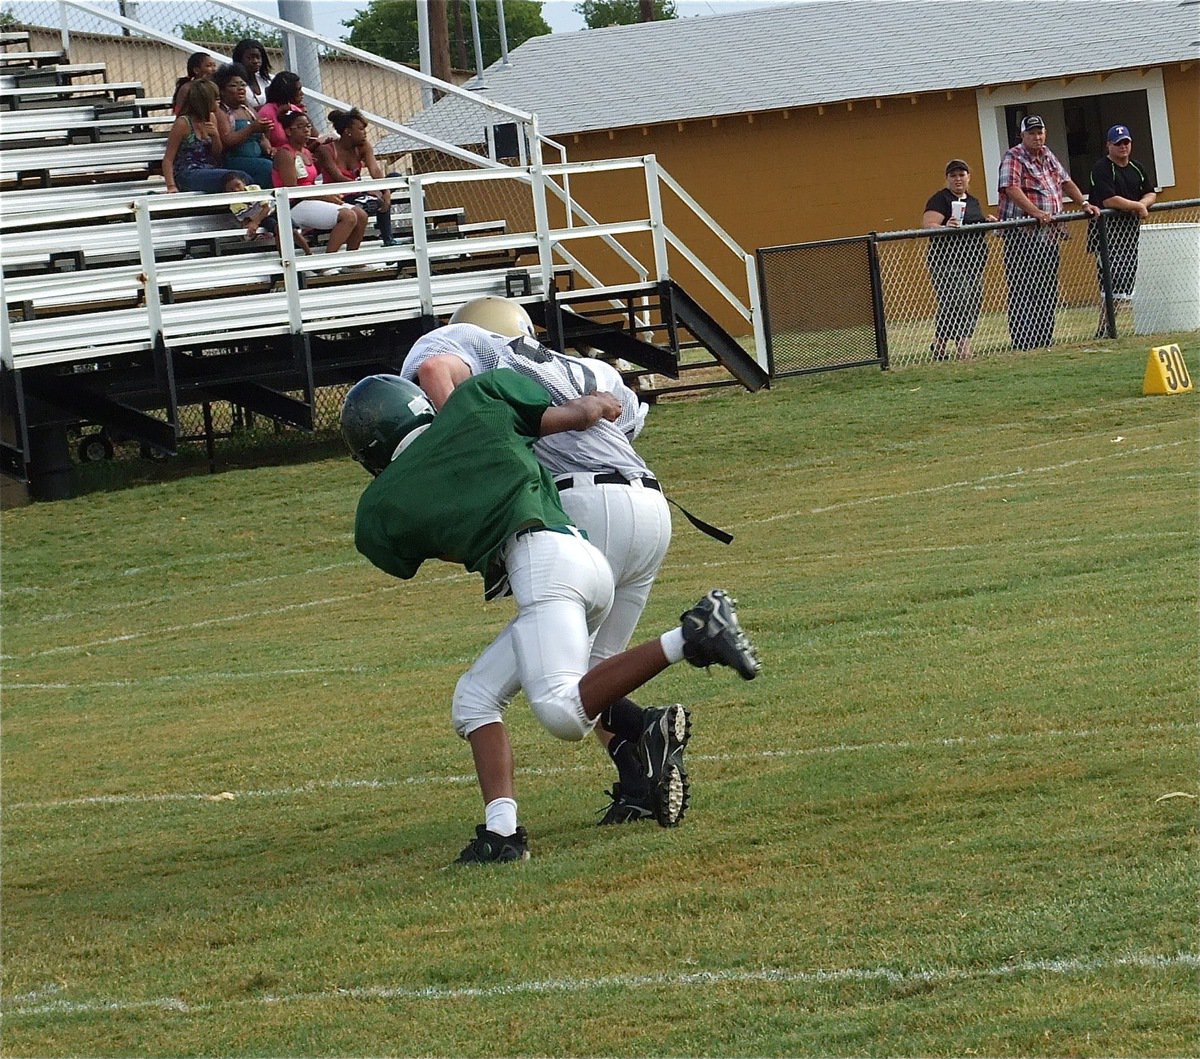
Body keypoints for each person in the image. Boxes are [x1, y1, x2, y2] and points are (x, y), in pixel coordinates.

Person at [340, 369, 760, 863]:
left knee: (564, 712)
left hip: (543, 566)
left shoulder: (380, 507)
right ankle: (501, 835)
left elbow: (404, 549)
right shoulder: (478, 399)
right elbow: (576, 415)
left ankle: (691, 637)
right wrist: (602, 405)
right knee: (474, 699)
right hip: (584, 553)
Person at [400, 299, 680, 826]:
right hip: (649, 507)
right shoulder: (584, 367)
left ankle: (650, 711)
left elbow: (437, 371)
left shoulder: (467, 344)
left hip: (578, 510)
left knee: (559, 687)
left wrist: (471, 449)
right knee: (600, 672)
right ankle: (639, 784)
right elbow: (627, 416)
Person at [997, 114, 1101, 350]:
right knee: (1023, 288)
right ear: (1022, 135)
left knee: (1047, 287)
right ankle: (1024, 342)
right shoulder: (1013, 157)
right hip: (1021, 235)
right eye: (1032, 133)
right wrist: (1036, 213)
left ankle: (1044, 339)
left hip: (1050, 234)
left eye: (1040, 132)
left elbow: (1066, 181)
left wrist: (1084, 203)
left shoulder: (1047, 155)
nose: (1037, 137)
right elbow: (1011, 188)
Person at [272, 109, 368, 270]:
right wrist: (325, 197)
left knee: (361, 215)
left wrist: (325, 196)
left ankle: (352, 258)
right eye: (300, 127)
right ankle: (325, 262)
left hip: (310, 198)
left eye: (308, 126)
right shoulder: (285, 154)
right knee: (348, 216)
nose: (306, 130)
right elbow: (292, 190)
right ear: (288, 131)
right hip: (294, 204)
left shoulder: (307, 152)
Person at [922, 159, 995, 361]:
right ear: (947, 179)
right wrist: (946, 226)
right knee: (958, 298)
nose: (957, 179)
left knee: (973, 300)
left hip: (973, 262)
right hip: (947, 261)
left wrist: (986, 222)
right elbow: (928, 225)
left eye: (961, 175)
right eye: (953, 176)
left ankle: (939, 344)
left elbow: (975, 225)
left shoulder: (973, 201)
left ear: (968, 177)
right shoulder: (939, 199)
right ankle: (964, 346)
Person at [1087, 123, 1157, 333]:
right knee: (1111, 282)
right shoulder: (1102, 168)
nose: (1122, 147)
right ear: (1109, 145)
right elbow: (1109, 200)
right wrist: (1136, 206)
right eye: (1117, 144)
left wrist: (1143, 204)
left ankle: (1110, 327)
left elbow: (1150, 192)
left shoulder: (1137, 167)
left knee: (1124, 283)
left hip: (1129, 235)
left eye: (1125, 142)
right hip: (1106, 234)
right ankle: (1105, 329)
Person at [315, 108, 397, 247]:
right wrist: (365, 190)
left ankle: (387, 238)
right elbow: (338, 177)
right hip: (339, 195)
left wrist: (385, 190)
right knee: (372, 200)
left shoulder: (363, 146)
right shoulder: (327, 150)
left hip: (357, 192)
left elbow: (375, 170)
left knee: (389, 185)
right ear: (348, 131)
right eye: (361, 129)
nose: (365, 133)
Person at [161, 80, 249, 194]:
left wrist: (215, 136)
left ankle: (244, 209)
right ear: (204, 101)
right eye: (215, 99)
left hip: (209, 168)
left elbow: (216, 154)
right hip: (188, 173)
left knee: (244, 177)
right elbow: (168, 159)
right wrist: (171, 186)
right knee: (232, 180)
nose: (219, 102)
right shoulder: (183, 123)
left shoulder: (211, 118)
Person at [214, 63, 275, 187]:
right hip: (234, 159)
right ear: (222, 91)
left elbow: (262, 136)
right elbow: (227, 140)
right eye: (233, 85)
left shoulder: (248, 109)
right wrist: (251, 128)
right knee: (267, 167)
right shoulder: (221, 112)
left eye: (243, 85)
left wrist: (268, 145)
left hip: (257, 157)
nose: (240, 88)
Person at [223, 173, 311, 255]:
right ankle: (284, 258)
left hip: (274, 211)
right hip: (263, 218)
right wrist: (249, 227)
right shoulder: (234, 205)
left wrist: (255, 223)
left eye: (238, 185)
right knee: (278, 230)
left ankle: (308, 253)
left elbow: (266, 208)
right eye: (231, 189)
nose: (236, 190)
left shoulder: (254, 188)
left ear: (244, 183)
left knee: (292, 230)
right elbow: (244, 218)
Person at [257, 71, 307, 151]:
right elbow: (264, 145)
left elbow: (313, 136)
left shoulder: (296, 110)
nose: (302, 93)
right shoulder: (266, 113)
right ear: (288, 91)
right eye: (298, 90)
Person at [231, 38, 273, 112]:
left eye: (258, 57)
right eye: (250, 58)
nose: (255, 61)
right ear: (240, 59)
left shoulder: (266, 80)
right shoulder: (233, 83)